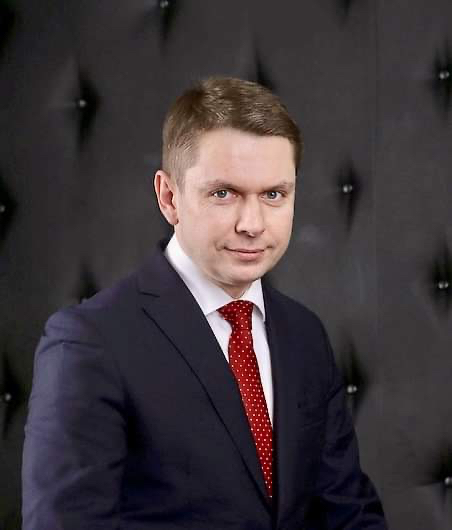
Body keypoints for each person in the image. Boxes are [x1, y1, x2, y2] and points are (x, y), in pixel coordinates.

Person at [22, 77, 387, 529]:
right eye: (223, 193)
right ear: (169, 198)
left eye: (274, 194)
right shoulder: (90, 342)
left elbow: (348, 512)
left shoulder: (304, 333)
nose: (252, 224)